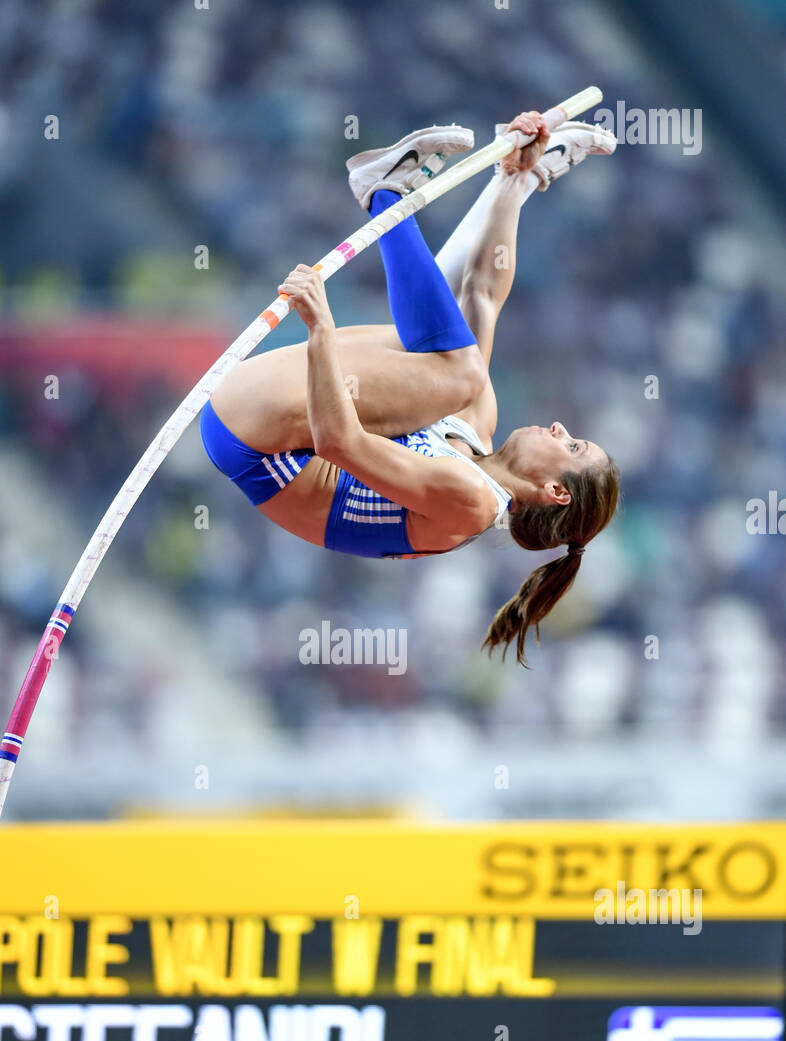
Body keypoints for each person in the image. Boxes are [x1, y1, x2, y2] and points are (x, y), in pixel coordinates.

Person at [202, 111, 620, 664]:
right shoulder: (475, 426)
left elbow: (340, 446)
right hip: (286, 418)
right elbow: (483, 291)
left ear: (555, 492)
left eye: (572, 447)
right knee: (451, 342)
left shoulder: (470, 506)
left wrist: (321, 330)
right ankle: (516, 181)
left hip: (258, 441)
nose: (562, 429)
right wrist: (511, 183)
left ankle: (384, 192)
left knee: (457, 366)